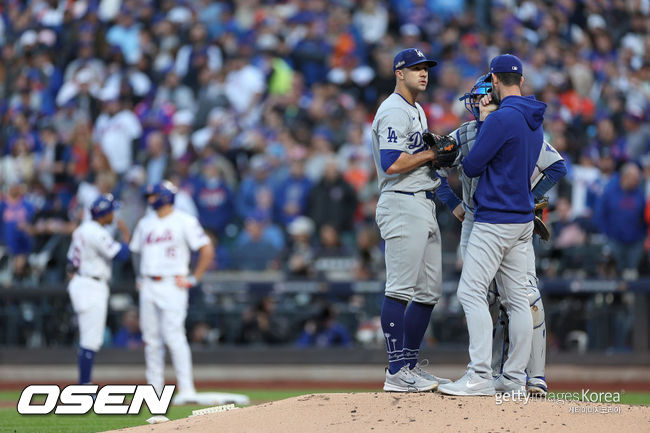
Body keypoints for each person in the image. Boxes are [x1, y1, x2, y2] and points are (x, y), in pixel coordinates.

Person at [437, 73, 567, 396]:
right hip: (505, 218)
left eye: (484, 95)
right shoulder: (524, 122)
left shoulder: (496, 125)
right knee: (511, 298)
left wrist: (528, 193)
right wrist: (454, 203)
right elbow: (437, 166)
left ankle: (494, 374)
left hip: (493, 219)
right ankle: (510, 376)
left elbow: (472, 166)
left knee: (478, 293)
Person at [370, 48, 455, 393]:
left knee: (427, 292)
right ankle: (395, 371)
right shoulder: (392, 109)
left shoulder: (417, 109)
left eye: (426, 68)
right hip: (402, 203)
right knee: (400, 289)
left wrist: (434, 157)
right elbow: (391, 162)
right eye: (415, 68)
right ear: (399, 72)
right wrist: (432, 153)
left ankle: (408, 365)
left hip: (423, 202)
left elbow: (417, 157)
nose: (423, 73)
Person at [129, 181, 214, 404]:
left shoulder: (184, 220)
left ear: (165, 196)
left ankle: (186, 389)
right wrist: (140, 275)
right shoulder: (145, 223)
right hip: (149, 283)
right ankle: (154, 391)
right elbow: (136, 251)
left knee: (174, 335)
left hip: (172, 283)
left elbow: (206, 249)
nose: (149, 199)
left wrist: (194, 278)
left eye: (153, 195)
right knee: (151, 339)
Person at [66, 194, 130, 384]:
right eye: (111, 211)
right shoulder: (96, 232)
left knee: (88, 338)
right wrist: (126, 236)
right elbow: (121, 254)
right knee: (90, 340)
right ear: (103, 213)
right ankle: (84, 386)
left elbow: (70, 263)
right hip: (91, 285)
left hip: (81, 282)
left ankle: (84, 384)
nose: (114, 214)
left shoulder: (81, 230)